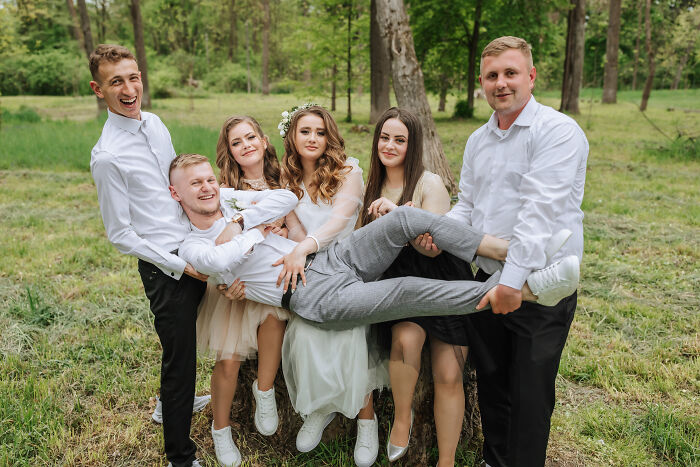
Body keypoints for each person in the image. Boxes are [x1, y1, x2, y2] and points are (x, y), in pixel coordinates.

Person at [170, 154, 579, 340]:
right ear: (176, 194)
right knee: (405, 290)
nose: (208, 188)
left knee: (402, 219)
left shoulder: (232, 206)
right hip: (311, 296)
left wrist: (241, 221)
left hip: (329, 258)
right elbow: (220, 258)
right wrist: (257, 231)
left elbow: (283, 198)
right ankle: (530, 290)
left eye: (210, 180)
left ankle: (513, 252)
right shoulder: (190, 246)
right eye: (195, 184)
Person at [445, 36, 589, 467]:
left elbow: (539, 212)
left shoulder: (558, 131)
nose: (501, 83)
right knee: (492, 384)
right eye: (492, 75)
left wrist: (511, 283)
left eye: (511, 73)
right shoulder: (478, 140)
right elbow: (468, 206)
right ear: (481, 82)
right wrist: (437, 231)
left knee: (529, 394)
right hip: (487, 279)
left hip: (538, 286)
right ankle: (494, 460)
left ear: (531, 76)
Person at [88, 44, 209, 467]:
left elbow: (178, 183)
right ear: (98, 90)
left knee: (181, 344)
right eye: (115, 82)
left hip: (192, 243)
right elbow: (120, 234)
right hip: (164, 267)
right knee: (181, 360)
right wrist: (180, 266)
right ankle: (180, 456)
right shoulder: (107, 157)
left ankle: (164, 405)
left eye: (133, 77)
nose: (128, 89)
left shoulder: (155, 123)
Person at [359, 107, 474, 465]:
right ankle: (402, 418)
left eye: (400, 140)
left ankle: (446, 461)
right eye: (384, 137)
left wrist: (401, 219)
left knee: (449, 374)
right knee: (406, 339)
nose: (389, 146)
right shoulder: (370, 187)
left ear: (413, 145)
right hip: (400, 285)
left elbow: (434, 247)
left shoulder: (429, 183)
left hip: (441, 280)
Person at [275, 105, 385, 467]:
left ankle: (366, 417)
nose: (312, 138)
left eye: (320, 132)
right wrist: (296, 245)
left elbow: (339, 222)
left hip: (347, 265)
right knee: (305, 332)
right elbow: (295, 227)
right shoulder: (286, 177)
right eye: (305, 131)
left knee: (349, 332)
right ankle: (321, 408)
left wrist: (303, 249)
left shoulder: (348, 171)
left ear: (330, 137)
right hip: (311, 266)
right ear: (292, 136)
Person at [196, 116, 298, 467]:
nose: (246, 146)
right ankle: (220, 429)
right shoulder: (225, 190)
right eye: (236, 142)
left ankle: (264, 389)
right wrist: (223, 286)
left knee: (274, 318)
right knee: (228, 359)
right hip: (236, 284)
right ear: (230, 151)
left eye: (250, 137)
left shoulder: (285, 178)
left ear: (265, 140)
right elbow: (212, 244)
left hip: (270, 277)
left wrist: (284, 234)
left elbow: (297, 228)